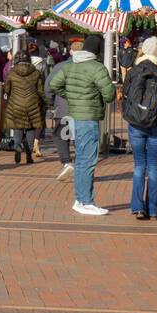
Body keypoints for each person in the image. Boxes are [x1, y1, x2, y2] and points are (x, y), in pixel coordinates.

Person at [48, 33, 115, 217]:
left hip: (76, 115)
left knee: (80, 159)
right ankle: (85, 201)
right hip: (89, 116)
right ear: (98, 51)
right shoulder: (97, 68)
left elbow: (54, 85)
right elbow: (109, 94)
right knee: (88, 160)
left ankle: (80, 199)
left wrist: (71, 96)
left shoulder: (70, 65)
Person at [122, 36, 157, 220]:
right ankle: (153, 210)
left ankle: (137, 207)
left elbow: (126, 95)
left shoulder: (133, 71)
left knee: (138, 167)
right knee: (153, 167)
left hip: (136, 124)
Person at [46, 35, 83, 181]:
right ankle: (80, 165)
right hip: (83, 109)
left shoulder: (60, 67)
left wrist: (51, 101)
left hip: (63, 108)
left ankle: (67, 162)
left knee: (61, 136)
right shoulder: (92, 66)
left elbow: (49, 86)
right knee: (80, 138)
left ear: (71, 52)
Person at [2, 49, 45, 165]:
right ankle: (29, 154)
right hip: (32, 104)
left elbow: (7, 90)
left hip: (16, 104)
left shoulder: (11, 73)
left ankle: (17, 146)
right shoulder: (36, 73)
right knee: (31, 128)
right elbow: (41, 91)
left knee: (18, 128)